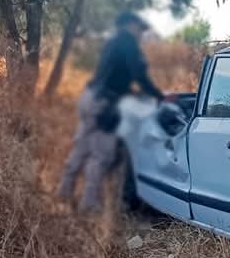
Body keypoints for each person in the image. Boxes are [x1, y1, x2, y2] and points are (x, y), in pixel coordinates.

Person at [57, 11, 163, 212]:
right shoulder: (128, 43)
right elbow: (139, 75)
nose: (141, 34)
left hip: (90, 97)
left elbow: (115, 76)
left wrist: (131, 92)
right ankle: (89, 204)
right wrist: (157, 96)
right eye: (140, 29)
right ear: (131, 25)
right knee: (100, 154)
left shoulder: (112, 42)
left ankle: (64, 190)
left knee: (82, 144)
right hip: (105, 104)